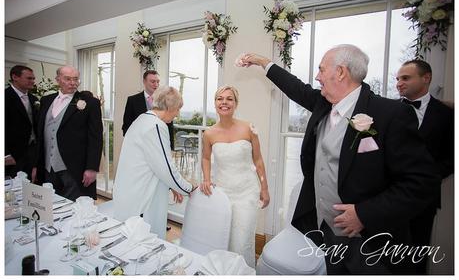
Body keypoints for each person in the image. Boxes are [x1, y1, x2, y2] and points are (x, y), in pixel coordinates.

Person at [242, 45, 440, 274]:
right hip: (325, 229)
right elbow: (294, 87)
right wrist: (261, 61)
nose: (317, 76)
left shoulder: (390, 114)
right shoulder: (322, 103)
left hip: (371, 242)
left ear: (341, 72)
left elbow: (423, 182)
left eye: (321, 70)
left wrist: (365, 214)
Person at [113, 86, 197, 239]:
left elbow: (154, 164)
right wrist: (190, 188)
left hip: (129, 192)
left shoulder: (142, 119)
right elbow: (166, 167)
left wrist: (172, 186)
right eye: (178, 109)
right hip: (142, 199)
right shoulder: (157, 125)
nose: (178, 113)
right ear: (170, 106)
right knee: (144, 244)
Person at [200, 86, 270, 268]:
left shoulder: (248, 128)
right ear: (215, 103)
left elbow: (258, 159)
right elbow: (206, 158)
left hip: (247, 192)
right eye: (220, 98)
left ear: (236, 103)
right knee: (223, 238)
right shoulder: (209, 133)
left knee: (242, 241)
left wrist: (264, 188)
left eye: (229, 99)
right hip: (222, 194)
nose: (224, 102)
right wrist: (206, 178)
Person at [396, 59, 454, 274]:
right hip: (386, 197)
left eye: (405, 78)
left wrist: (427, 177)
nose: (399, 83)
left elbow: (452, 156)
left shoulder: (447, 115)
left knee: (416, 258)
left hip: (424, 200)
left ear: (426, 78)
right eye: (398, 79)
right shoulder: (389, 111)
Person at [33, 66, 103, 201]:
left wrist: (92, 168)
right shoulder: (46, 100)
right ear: (58, 80)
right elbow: (41, 136)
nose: (72, 83)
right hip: (47, 167)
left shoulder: (90, 103)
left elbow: (96, 137)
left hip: (75, 168)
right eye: (67, 79)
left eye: (76, 79)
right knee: (50, 206)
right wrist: (37, 164)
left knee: (74, 208)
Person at [122, 70, 174, 149]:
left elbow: (169, 126)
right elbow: (126, 126)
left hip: (160, 147)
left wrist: (171, 148)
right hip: (139, 148)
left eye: (158, 82)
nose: (156, 84)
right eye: (153, 81)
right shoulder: (132, 100)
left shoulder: (165, 101)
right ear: (144, 82)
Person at [5, 65, 39, 179]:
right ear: (15, 77)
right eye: (29, 78)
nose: (32, 81)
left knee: (29, 186)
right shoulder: (5, 97)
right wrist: (5, 154)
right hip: (12, 154)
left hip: (32, 153)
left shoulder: (34, 99)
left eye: (33, 78)